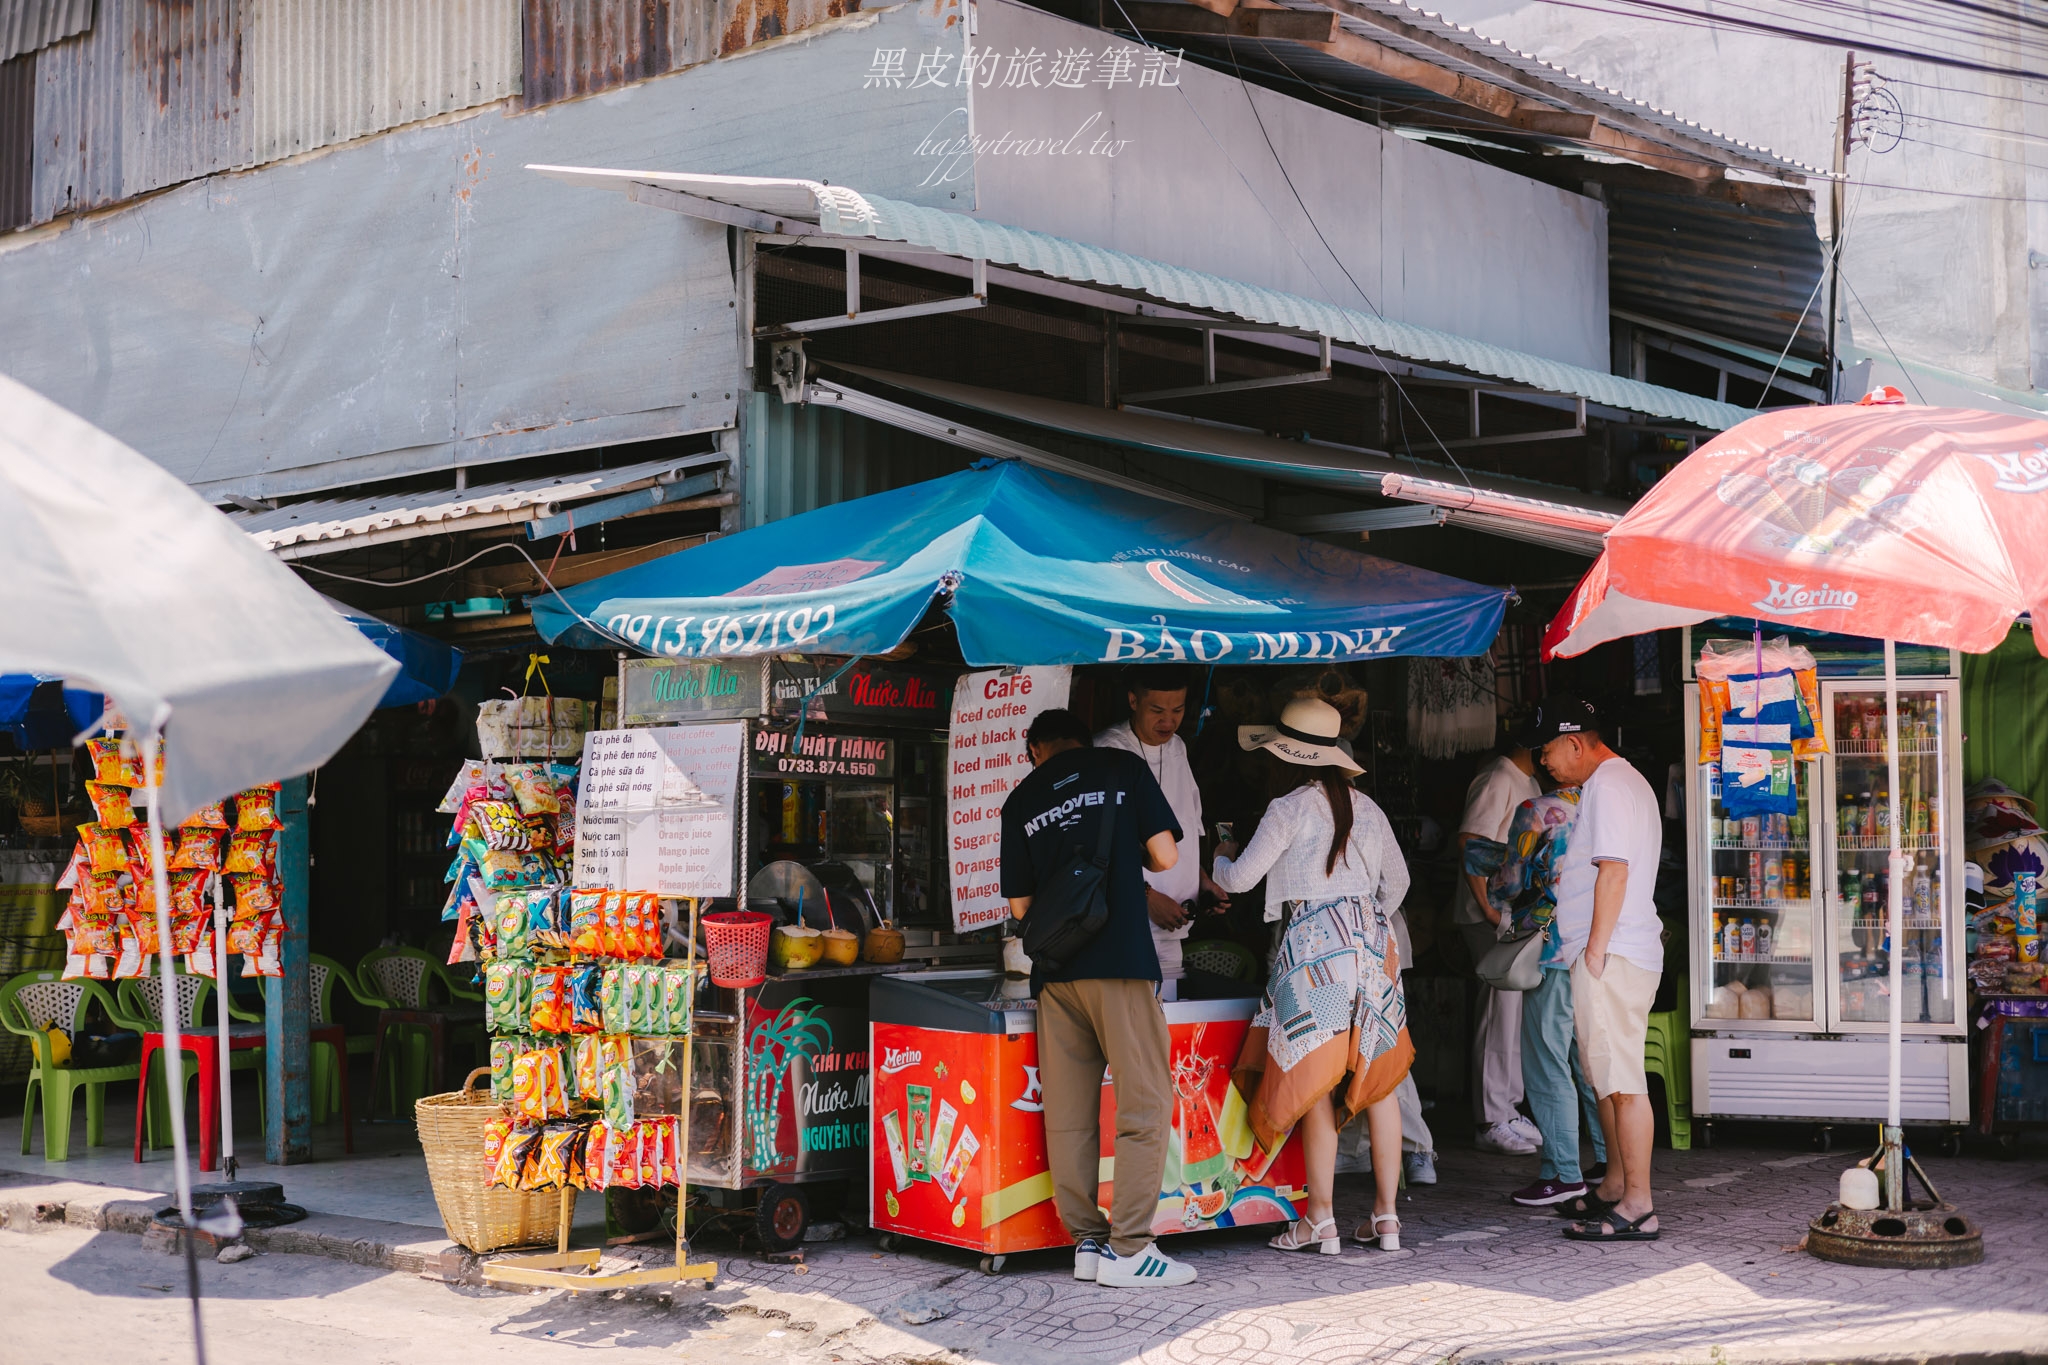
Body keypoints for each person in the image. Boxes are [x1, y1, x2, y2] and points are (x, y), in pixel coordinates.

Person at [1001, 707, 1198, 1288]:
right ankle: (1131, 1248)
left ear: (1033, 749)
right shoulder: (1122, 769)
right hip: (1120, 964)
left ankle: (1088, 1241)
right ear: (1083, 740)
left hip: (1057, 975)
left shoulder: (1021, 800)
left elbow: (1020, 910)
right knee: (1145, 1101)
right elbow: (1165, 856)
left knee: (1068, 1114)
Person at [1212, 697, 1412, 1256]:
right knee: (1380, 1081)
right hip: (1373, 946)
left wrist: (1220, 857)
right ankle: (1387, 1218)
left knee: (1317, 1078)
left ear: (1285, 757)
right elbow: (1397, 885)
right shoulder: (1368, 809)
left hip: (1313, 954)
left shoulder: (1287, 809)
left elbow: (1242, 879)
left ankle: (1320, 1221)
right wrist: (1362, 918)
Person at [1520, 694, 1665, 1241]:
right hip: (1620, 949)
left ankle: (1638, 1205)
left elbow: (1614, 871)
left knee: (1623, 1082)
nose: (1543, 763)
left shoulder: (1605, 786)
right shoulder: (1624, 781)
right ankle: (1613, 1188)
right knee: (1605, 1076)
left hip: (1613, 953)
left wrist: (1595, 951)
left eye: (1547, 751)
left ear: (1576, 742)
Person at [1484, 785, 1610, 1208]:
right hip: (1596, 946)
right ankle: (1609, 1161)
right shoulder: (1606, 807)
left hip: (1551, 948)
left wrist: (1491, 878)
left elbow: (1510, 882)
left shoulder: (1537, 810)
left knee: (1546, 1059)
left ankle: (1562, 1173)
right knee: (1586, 1058)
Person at [1095, 664, 1231, 1001]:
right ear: (1132, 700)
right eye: (1157, 710)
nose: (1168, 721)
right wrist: (1146, 898)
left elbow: (1185, 827)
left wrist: (1203, 883)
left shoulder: (1178, 748)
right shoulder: (1108, 751)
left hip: (1173, 928)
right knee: (1130, 1025)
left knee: (1165, 1023)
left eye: (1178, 710)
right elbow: (1098, 843)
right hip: (1125, 926)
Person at [1455, 738, 1545, 1157]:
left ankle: (1506, 1108)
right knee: (1497, 1014)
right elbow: (1469, 841)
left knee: (1512, 1015)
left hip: (1512, 915)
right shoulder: (1498, 778)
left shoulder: (1525, 780)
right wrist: (1489, 910)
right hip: (1491, 916)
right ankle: (1490, 1118)